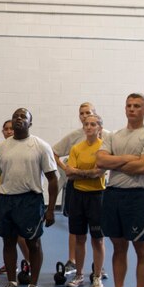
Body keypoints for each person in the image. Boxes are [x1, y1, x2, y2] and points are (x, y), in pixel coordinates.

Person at [95, 93, 144, 287]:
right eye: (129, 105)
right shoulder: (113, 136)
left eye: (137, 106)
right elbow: (101, 160)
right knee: (118, 246)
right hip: (114, 195)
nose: (132, 109)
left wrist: (115, 161)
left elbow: (143, 167)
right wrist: (130, 158)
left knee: (141, 247)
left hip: (138, 197)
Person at [0, 108, 58, 287]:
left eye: (23, 116)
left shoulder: (40, 146)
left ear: (30, 123)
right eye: (15, 116)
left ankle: (33, 286)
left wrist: (51, 209)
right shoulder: (1, 148)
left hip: (30, 201)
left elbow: (53, 179)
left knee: (33, 243)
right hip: (6, 200)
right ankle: (12, 283)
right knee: (8, 242)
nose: (19, 118)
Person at [52, 102, 97, 276]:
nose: (85, 116)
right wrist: (66, 169)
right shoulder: (74, 137)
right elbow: (53, 152)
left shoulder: (106, 136)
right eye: (82, 113)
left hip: (97, 188)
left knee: (97, 230)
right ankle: (72, 260)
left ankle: (98, 265)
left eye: (88, 112)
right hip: (75, 186)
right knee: (75, 226)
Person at [63, 113, 106, 287]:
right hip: (78, 196)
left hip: (97, 197)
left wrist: (79, 172)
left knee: (98, 239)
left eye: (93, 124)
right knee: (80, 238)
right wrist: (88, 173)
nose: (89, 127)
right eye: (86, 124)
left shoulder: (104, 148)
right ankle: (79, 275)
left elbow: (99, 173)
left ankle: (97, 276)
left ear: (99, 128)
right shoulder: (76, 148)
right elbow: (69, 173)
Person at [0, 119, 29, 274]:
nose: (9, 131)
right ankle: (11, 264)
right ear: (3, 132)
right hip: (2, 198)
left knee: (21, 235)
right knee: (8, 236)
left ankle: (29, 262)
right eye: (6, 129)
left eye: (11, 129)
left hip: (20, 198)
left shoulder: (25, 149)